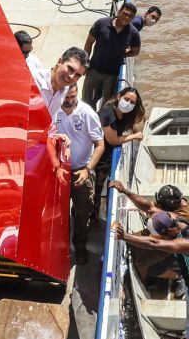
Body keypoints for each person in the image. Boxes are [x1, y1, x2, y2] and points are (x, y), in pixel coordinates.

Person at [116, 212, 189, 339]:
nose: (162, 237)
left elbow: (155, 243)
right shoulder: (175, 220)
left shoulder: (186, 242)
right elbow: (148, 206)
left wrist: (125, 236)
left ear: (171, 229)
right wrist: (124, 190)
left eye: (163, 234)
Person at [48, 84, 105, 265]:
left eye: (73, 96)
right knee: (58, 212)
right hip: (58, 171)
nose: (70, 100)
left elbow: (100, 144)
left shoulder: (87, 113)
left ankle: (80, 246)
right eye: (67, 97)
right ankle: (60, 246)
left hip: (81, 170)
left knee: (82, 213)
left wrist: (88, 169)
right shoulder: (52, 110)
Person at [91, 87, 145, 221]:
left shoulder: (126, 113)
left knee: (99, 186)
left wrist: (134, 129)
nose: (128, 103)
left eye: (132, 102)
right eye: (126, 99)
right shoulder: (107, 113)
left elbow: (131, 124)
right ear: (119, 96)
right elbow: (113, 140)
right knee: (95, 189)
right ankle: (91, 216)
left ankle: (93, 213)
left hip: (108, 154)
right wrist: (135, 136)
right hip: (98, 155)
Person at [82, 3, 141, 110]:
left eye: (130, 16)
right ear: (119, 11)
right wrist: (85, 64)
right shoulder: (101, 23)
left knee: (107, 104)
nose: (127, 17)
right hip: (94, 70)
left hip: (112, 76)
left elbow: (135, 51)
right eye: (125, 13)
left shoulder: (133, 33)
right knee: (87, 100)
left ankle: (100, 123)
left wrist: (121, 54)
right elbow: (89, 42)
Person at [32, 47, 90, 121]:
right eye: (70, 69)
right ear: (60, 62)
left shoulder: (65, 89)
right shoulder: (32, 78)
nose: (72, 76)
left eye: (78, 75)